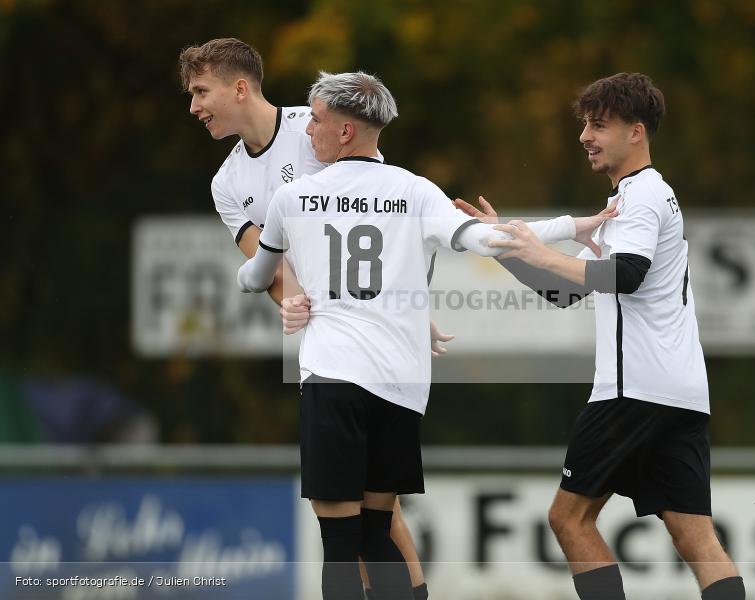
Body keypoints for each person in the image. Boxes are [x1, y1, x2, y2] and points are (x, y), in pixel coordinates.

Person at [238, 70, 614, 600]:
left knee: (340, 541)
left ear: (346, 131)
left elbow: (257, 276)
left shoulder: (292, 197)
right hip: (400, 386)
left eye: (317, 122)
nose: (308, 133)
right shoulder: (415, 191)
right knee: (377, 530)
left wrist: (257, 280)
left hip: (333, 379)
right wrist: (574, 226)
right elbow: (488, 241)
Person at [454, 73, 745, 600]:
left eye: (599, 125)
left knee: (569, 519)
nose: (586, 135)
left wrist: (543, 252)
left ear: (637, 132)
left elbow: (627, 275)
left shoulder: (640, 195)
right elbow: (565, 291)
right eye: (585, 124)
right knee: (694, 534)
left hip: (632, 390)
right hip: (680, 392)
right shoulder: (633, 203)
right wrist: (508, 251)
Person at [178, 38, 447, 598]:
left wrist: (408, 309)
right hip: (329, 350)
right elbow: (267, 263)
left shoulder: (318, 122)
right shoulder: (227, 184)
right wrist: (293, 301)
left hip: (374, 348)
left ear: (240, 87)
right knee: (363, 521)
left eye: (201, 92)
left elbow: (391, 212)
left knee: (375, 519)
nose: (194, 106)